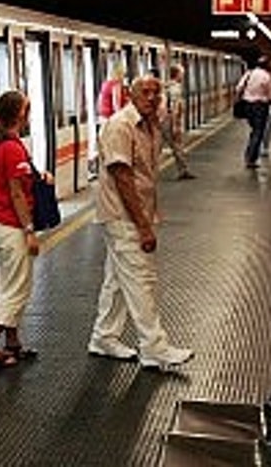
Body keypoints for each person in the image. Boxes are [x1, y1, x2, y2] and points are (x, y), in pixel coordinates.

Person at [87, 75, 194, 369]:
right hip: (124, 216)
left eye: (155, 93)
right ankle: (154, 348)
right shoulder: (121, 126)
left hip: (137, 213)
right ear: (131, 95)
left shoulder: (151, 124)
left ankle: (104, 337)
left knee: (117, 281)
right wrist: (143, 226)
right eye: (144, 92)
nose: (151, 97)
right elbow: (123, 179)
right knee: (141, 280)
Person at [0, 90, 42, 368]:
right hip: (9, 225)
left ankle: (12, 342)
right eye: (26, 110)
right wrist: (29, 230)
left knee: (6, 283)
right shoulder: (13, 148)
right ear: (19, 115)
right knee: (17, 289)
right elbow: (16, 194)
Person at [236, 56, 271, 169]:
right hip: (260, 106)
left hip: (247, 106)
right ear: (266, 65)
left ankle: (249, 154)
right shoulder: (266, 76)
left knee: (255, 130)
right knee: (258, 132)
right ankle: (250, 158)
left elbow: (239, 88)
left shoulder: (249, 74)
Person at [159, 65, 195, 180]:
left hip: (164, 119)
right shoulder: (175, 88)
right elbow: (175, 107)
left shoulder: (167, 86)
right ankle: (183, 170)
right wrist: (175, 125)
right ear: (177, 74)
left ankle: (183, 170)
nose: (183, 76)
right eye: (181, 73)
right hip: (170, 120)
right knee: (176, 145)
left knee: (158, 146)